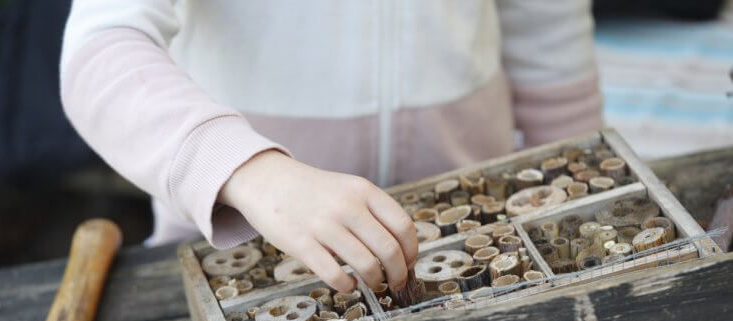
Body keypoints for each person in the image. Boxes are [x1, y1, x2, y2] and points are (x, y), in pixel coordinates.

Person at [60, 1, 602, 293]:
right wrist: (251, 171)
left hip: (479, 230)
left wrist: (579, 182)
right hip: (242, 250)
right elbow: (99, 52)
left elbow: (545, 27)